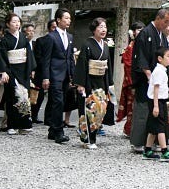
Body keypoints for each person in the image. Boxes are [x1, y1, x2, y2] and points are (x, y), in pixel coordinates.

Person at [130, 9, 169, 152]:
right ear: (158, 18)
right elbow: (140, 57)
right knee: (144, 109)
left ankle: (153, 142)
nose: (167, 25)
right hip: (147, 79)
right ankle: (138, 142)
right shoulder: (146, 33)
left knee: (158, 111)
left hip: (158, 77)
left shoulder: (160, 34)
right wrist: (149, 75)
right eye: (165, 22)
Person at [74, 18, 115, 149]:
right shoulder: (87, 44)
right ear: (94, 29)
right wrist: (80, 84)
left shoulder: (105, 45)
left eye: (105, 27)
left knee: (100, 110)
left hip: (101, 81)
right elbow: (82, 65)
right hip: (89, 81)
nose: (103, 30)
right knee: (89, 110)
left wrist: (109, 83)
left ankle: (93, 136)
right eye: (100, 27)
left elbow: (108, 65)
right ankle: (88, 139)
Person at [0, 13, 35, 135]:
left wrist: (31, 69)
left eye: (18, 21)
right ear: (8, 24)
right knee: (13, 97)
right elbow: (1, 56)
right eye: (13, 22)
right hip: (11, 70)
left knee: (24, 96)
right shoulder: (5, 40)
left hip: (23, 70)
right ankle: (11, 125)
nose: (17, 24)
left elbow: (29, 54)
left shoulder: (23, 37)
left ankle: (24, 125)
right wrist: (3, 72)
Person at [40, 8, 75, 144]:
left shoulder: (70, 37)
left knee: (60, 102)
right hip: (54, 74)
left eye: (69, 18)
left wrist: (73, 75)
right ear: (58, 20)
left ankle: (52, 131)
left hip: (66, 74)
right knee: (58, 102)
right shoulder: (51, 37)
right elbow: (46, 59)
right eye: (66, 18)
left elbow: (70, 58)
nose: (68, 20)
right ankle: (59, 131)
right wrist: (46, 77)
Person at [141, 47, 169, 161]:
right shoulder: (158, 71)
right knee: (161, 126)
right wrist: (156, 106)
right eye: (167, 56)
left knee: (153, 127)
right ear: (159, 58)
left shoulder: (162, 70)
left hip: (158, 100)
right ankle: (164, 151)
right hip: (156, 101)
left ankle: (147, 150)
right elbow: (156, 89)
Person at [117, 21, 144, 136]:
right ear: (133, 32)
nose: (141, 31)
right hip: (134, 81)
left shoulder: (144, 45)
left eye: (143, 29)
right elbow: (128, 66)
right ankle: (130, 130)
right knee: (132, 107)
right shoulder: (130, 47)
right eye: (138, 29)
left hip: (143, 80)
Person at [30, 19, 56, 124]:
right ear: (49, 28)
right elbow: (38, 57)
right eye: (53, 27)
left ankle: (49, 118)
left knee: (53, 95)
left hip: (55, 71)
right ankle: (33, 115)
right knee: (38, 95)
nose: (55, 29)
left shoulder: (62, 40)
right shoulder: (41, 40)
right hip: (42, 70)